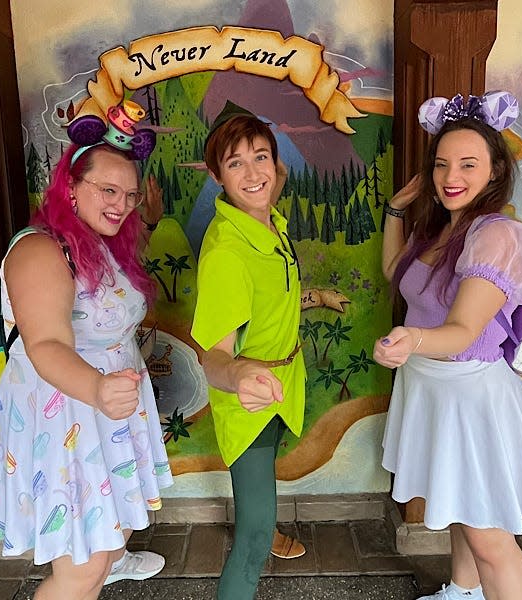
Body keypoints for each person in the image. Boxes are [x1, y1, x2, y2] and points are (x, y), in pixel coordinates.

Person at [0, 114, 174, 600]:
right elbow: (45, 344)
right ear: (70, 186)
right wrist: (96, 388)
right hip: (65, 417)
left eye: (129, 195)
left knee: (114, 533)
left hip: (107, 411)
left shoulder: (101, 241)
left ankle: (113, 559)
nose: (122, 205)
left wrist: (145, 218)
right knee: (80, 572)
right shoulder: (40, 251)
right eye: (108, 190)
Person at [374, 92, 522, 600]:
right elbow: (395, 273)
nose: (452, 176)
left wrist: (412, 339)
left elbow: (465, 330)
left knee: (490, 537)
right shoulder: (441, 227)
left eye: (469, 164)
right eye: (443, 164)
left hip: (470, 395)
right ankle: (463, 591)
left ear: (494, 172)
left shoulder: (495, 236)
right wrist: (394, 211)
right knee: (459, 507)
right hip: (435, 388)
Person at [190, 101, 307, 600]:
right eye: (235, 163)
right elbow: (211, 356)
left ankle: (266, 515)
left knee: (263, 498)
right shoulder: (227, 253)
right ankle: (261, 534)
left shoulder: (265, 222)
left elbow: (268, 183)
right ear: (216, 174)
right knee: (254, 538)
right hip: (251, 402)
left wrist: (315, 297)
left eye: (261, 157)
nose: (254, 173)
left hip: (283, 383)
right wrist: (238, 378)